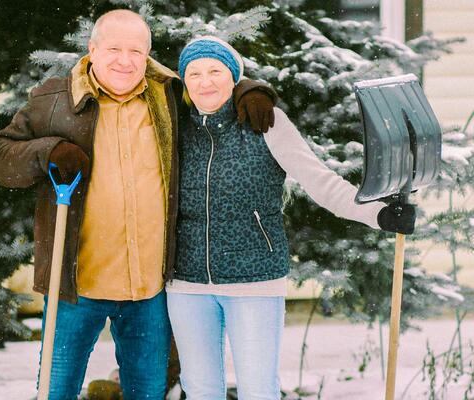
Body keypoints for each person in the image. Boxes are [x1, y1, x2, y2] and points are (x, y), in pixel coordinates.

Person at [0, 10, 276, 400]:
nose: (125, 60)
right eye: (114, 49)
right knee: (56, 390)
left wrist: (251, 91)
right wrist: (48, 151)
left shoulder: (168, 94)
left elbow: (211, 88)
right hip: (78, 283)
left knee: (148, 391)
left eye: (136, 51)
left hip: (148, 288)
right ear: (92, 50)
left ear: (148, 55)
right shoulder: (54, 99)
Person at [166, 36, 416, 399]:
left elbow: (320, 181)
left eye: (216, 71)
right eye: (195, 73)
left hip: (254, 281)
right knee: (200, 389)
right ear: (184, 82)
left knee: (258, 389)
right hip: (187, 284)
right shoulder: (175, 126)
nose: (206, 82)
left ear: (234, 76)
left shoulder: (264, 120)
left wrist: (378, 214)